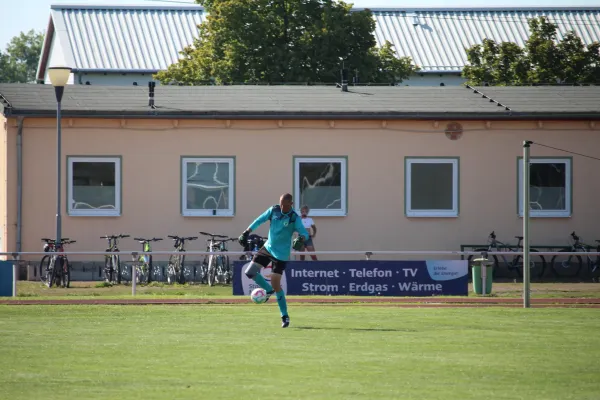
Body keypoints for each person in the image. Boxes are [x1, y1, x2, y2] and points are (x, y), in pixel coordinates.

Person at [238, 193, 309, 328]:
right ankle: (268, 290)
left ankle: (285, 316)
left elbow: (304, 232)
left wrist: (301, 239)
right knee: (250, 272)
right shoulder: (274, 210)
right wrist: (246, 232)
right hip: (268, 248)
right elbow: (259, 220)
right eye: (281, 203)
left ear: (291, 204)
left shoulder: (294, 218)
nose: (282, 206)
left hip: (281, 255)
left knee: (277, 285)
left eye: (285, 204)